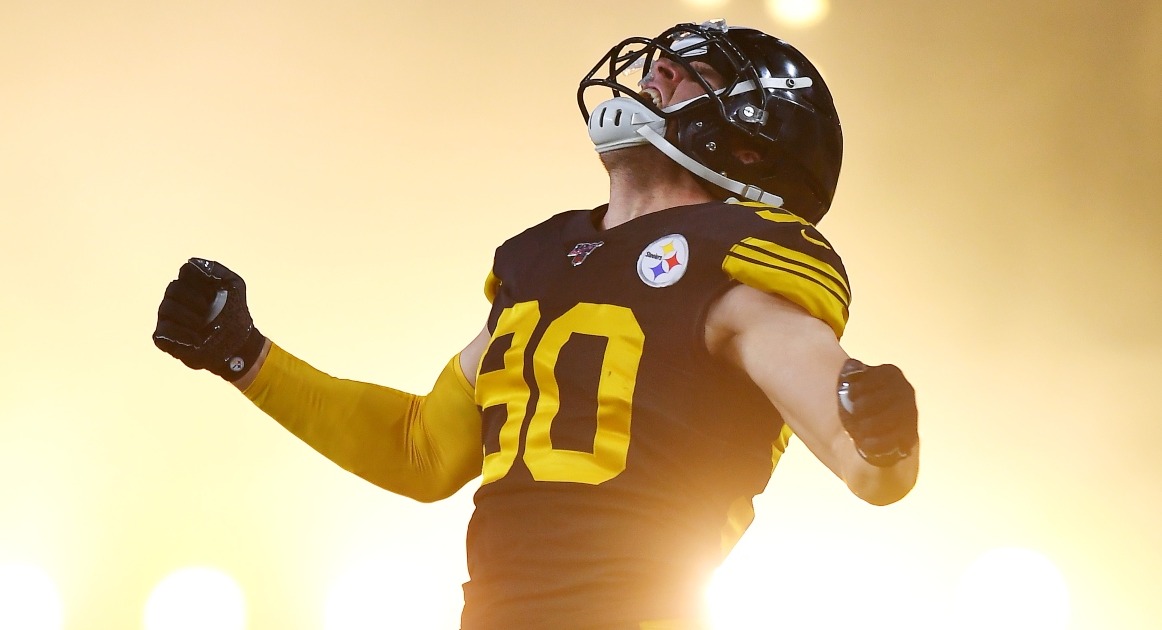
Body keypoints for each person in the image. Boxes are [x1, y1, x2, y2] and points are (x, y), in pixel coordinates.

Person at [153, 20, 919, 630]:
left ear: (749, 146)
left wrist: (887, 435)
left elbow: (866, 463)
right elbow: (422, 450)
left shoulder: (744, 273)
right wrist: (246, 358)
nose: (659, 74)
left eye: (696, 73)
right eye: (664, 62)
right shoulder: (550, 260)